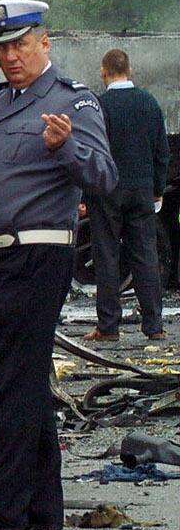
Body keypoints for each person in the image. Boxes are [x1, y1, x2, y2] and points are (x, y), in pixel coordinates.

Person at [0, 0, 117, 530]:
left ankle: (2, 505)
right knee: (24, 380)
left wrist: (64, 150)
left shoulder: (72, 102)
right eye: (2, 47)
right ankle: (41, 506)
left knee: (14, 383)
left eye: (21, 45)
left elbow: (104, 176)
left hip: (38, 254)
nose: (11, 56)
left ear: (44, 44)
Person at [87, 48, 168, 343]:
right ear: (129, 70)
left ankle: (108, 327)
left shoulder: (99, 106)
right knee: (146, 255)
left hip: (108, 191)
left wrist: (86, 193)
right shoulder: (149, 104)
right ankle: (154, 325)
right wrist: (157, 189)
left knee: (107, 256)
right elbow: (162, 152)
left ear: (104, 72)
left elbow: (91, 153)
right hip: (142, 190)